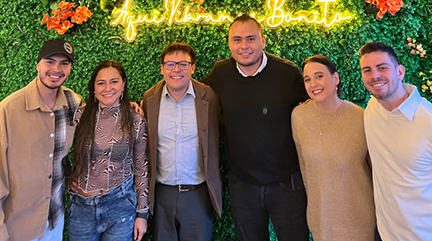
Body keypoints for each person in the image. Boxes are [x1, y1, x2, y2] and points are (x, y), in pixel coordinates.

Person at [203, 14, 309, 241]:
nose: (244, 46)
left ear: (263, 40)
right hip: (243, 184)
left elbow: (314, 106)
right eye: (237, 40)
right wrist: (145, 102)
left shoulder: (287, 74)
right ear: (229, 43)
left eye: (251, 39)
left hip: (286, 183)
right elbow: (194, 97)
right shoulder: (220, 74)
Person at [0, 38, 80, 241]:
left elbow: (103, 110)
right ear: (38, 64)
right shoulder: (8, 110)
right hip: (18, 227)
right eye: (50, 61)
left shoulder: (73, 103)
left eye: (64, 63)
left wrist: (129, 106)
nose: (56, 69)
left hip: (55, 219)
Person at [142, 42, 222, 241]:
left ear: (193, 67)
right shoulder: (149, 99)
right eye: (170, 64)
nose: (176, 69)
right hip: (161, 195)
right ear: (162, 68)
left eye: (183, 64)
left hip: (197, 194)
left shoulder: (209, 97)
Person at [291, 55, 375, 241]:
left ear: (335, 78)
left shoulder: (360, 117)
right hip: (320, 218)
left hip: (358, 217)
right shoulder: (298, 116)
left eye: (319, 76)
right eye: (307, 79)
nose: (313, 84)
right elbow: (305, 169)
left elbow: (375, 170)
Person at [68, 60, 149, 241]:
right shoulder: (79, 116)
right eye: (101, 83)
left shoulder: (136, 120)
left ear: (123, 84)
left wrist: (142, 214)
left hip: (120, 207)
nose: (107, 88)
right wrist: (67, 176)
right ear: (94, 89)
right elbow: (55, 149)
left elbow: (142, 169)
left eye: (114, 81)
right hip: (82, 208)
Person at [360, 41, 432, 241]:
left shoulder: (428, 121)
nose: (374, 76)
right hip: (385, 233)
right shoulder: (372, 107)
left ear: (400, 72)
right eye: (367, 70)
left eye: (382, 68)